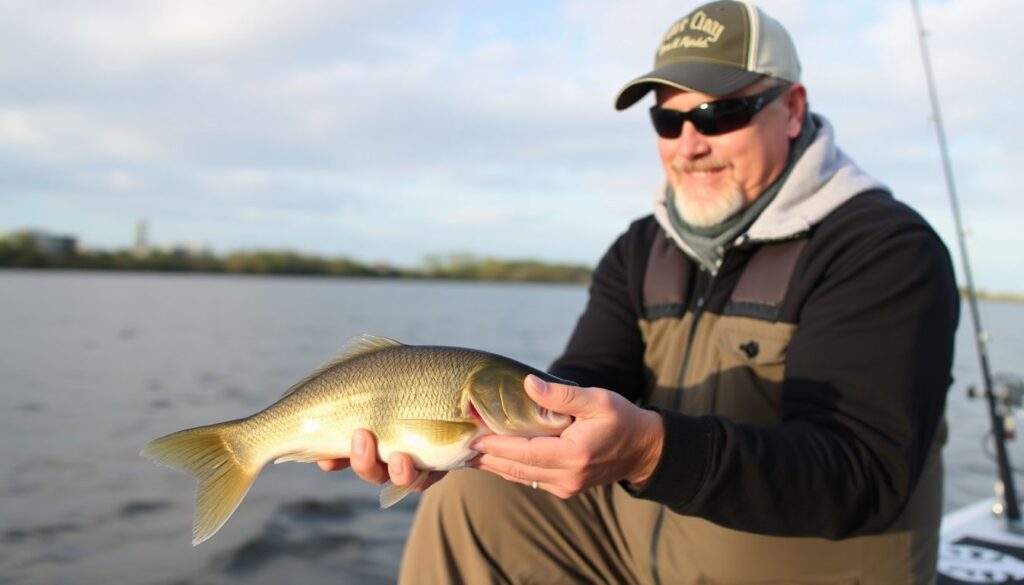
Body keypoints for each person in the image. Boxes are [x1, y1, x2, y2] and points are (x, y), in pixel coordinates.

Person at [319, 1, 960, 582]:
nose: (689, 144)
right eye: (667, 118)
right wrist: (462, 441)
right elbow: (583, 380)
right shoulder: (641, 247)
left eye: (720, 111)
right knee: (470, 496)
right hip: (643, 551)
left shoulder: (884, 250)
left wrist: (653, 452)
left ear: (792, 110)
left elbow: (860, 475)